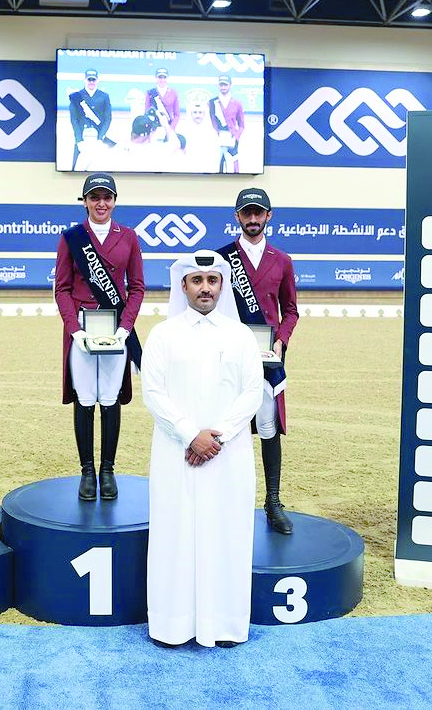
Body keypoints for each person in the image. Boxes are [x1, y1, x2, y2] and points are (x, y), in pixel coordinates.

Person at [142, 251, 264, 648]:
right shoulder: (163, 334)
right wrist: (189, 433)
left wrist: (218, 436)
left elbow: (251, 393)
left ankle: (225, 625)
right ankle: (172, 625)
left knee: (227, 532)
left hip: (227, 456)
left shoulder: (241, 335)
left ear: (222, 286)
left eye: (213, 280)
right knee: (174, 534)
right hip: (176, 454)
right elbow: (153, 392)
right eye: (197, 281)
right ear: (183, 286)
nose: (205, 288)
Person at [54, 173, 145, 500]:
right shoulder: (71, 238)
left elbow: (136, 287)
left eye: (107, 197)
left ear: (115, 201)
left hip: (115, 330)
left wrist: (125, 328)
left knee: (109, 398)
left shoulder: (129, 237)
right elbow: (62, 288)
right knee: (84, 399)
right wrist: (73, 329)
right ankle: (87, 471)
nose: (101, 203)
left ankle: (107, 470)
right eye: (95, 197)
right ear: (85, 201)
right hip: (82, 330)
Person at [217, 187, 300, 535]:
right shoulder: (221, 259)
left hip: (267, 360)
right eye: (246, 213)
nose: (253, 219)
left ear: (269, 216)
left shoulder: (282, 261)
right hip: (228, 360)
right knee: (226, 428)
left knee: (267, 429)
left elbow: (291, 310)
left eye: (259, 213)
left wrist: (281, 341)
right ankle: (224, 499)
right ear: (237, 217)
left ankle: (273, 501)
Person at [68, 69, 113, 171]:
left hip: (98, 138)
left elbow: (108, 119)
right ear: (85, 80)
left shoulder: (104, 96)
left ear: (97, 80)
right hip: (82, 138)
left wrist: (101, 138)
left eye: (94, 80)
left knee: (100, 169)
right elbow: (74, 119)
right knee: (76, 171)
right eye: (89, 80)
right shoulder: (76, 96)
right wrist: (79, 140)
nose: (91, 82)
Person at [209, 75, 245, 172]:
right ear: (218, 86)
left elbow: (242, 125)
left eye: (225, 85)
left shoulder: (237, 103)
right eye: (221, 85)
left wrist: (236, 137)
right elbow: (211, 119)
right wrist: (216, 134)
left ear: (230, 85)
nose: (223, 87)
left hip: (232, 139)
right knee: (217, 165)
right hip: (218, 138)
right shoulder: (212, 102)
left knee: (233, 167)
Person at [144, 67, 180, 135]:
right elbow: (147, 113)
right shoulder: (150, 93)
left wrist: (171, 128)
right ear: (156, 78)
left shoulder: (173, 93)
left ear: (167, 78)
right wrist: (151, 127)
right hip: (154, 129)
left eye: (164, 77)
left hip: (169, 127)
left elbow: (177, 115)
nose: (162, 80)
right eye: (160, 77)